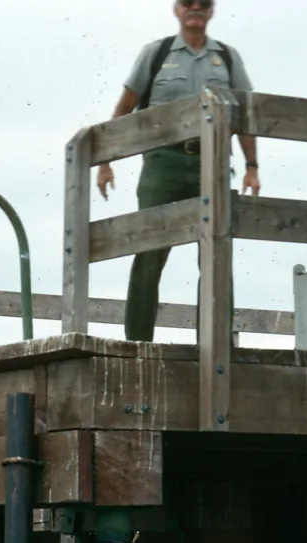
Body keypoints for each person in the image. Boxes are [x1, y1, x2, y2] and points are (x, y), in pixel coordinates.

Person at [97, 0, 260, 342]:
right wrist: (105, 160)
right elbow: (126, 105)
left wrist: (252, 166)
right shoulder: (156, 54)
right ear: (177, 9)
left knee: (217, 253)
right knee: (149, 250)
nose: (196, 7)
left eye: (204, 3)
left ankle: (216, 345)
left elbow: (246, 113)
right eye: (188, 2)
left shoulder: (227, 57)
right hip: (163, 162)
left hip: (213, 163)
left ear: (212, 11)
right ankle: (138, 343)